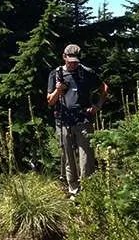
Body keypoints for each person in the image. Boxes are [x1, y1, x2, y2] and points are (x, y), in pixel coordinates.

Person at [45, 44, 106, 195]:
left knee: (87, 156)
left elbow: (104, 88)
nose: (72, 64)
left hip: (83, 120)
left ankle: (88, 190)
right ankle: (73, 190)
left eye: (75, 61)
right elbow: (50, 101)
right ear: (64, 57)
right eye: (69, 61)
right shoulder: (56, 74)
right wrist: (58, 89)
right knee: (68, 156)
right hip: (63, 120)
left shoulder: (86, 72)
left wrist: (97, 106)